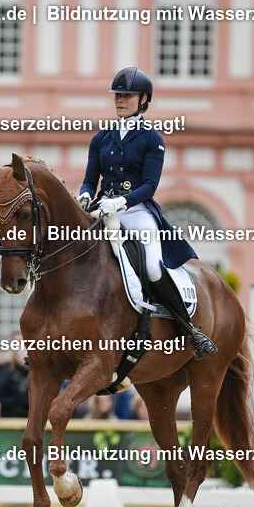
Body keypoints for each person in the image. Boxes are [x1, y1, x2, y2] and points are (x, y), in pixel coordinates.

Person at [79, 66, 215, 359]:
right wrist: (86, 195)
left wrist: (121, 202)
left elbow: (150, 186)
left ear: (143, 100)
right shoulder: (101, 138)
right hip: (103, 211)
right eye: (117, 95)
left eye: (127, 95)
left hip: (137, 212)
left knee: (153, 266)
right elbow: (91, 179)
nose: (120, 100)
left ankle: (189, 329)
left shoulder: (152, 138)